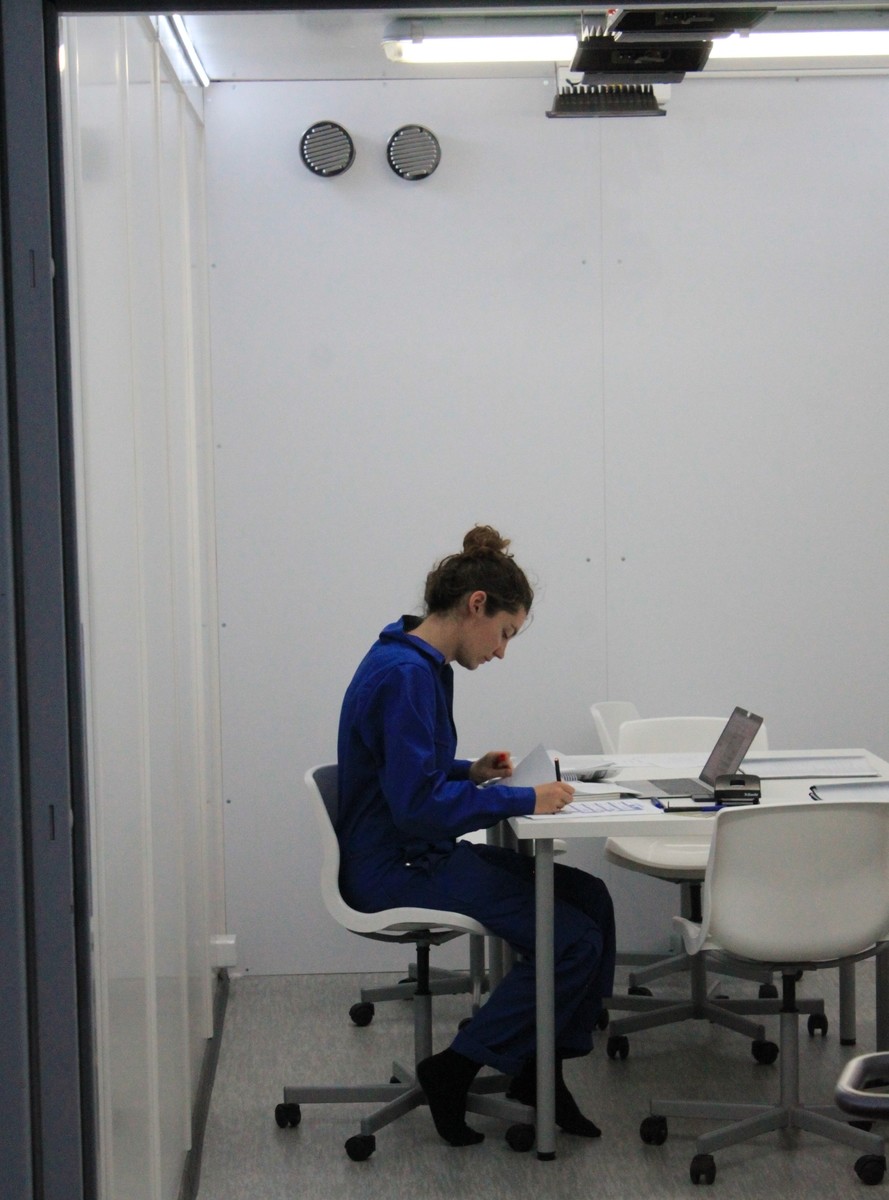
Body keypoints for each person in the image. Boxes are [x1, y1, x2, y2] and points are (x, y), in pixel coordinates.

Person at [336, 525, 616, 1148]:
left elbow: (409, 774)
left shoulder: (420, 662)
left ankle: (539, 1070)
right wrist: (523, 798)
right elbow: (417, 809)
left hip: (417, 852)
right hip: (398, 867)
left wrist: (470, 772)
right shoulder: (407, 675)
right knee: (572, 940)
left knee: (590, 899)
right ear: (477, 605)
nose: (502, 652)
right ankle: (456, 1067)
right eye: (505, 633)